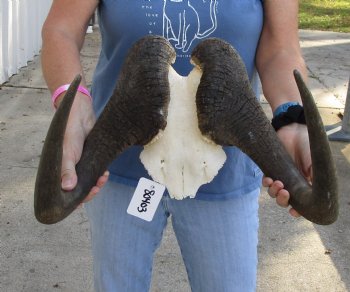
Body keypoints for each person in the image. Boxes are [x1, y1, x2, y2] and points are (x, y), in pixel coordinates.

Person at [41, 0, 312, 291]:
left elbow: (280, 48)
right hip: (118, 166)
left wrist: (292, 118)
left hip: (223, 174)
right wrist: (73, 104)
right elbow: (62, 30)